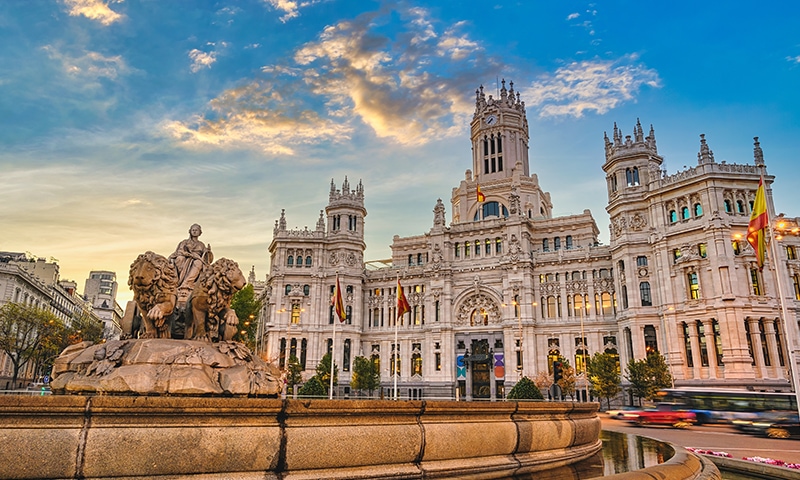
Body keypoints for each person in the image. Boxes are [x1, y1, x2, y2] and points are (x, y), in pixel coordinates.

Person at [169, 224, 212, 302]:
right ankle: (180, 281)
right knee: (179, 259)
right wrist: (188, 254)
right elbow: (179, 251)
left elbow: (206, 257)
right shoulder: (184, 242)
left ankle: (187, 283)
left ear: (200, 233)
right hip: (185, 257)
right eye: (193, 230)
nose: (195, 231)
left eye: (196, 230)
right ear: (190, 231)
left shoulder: (201, 245)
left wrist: (208, 251)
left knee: (198, 263)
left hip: (197, 260)